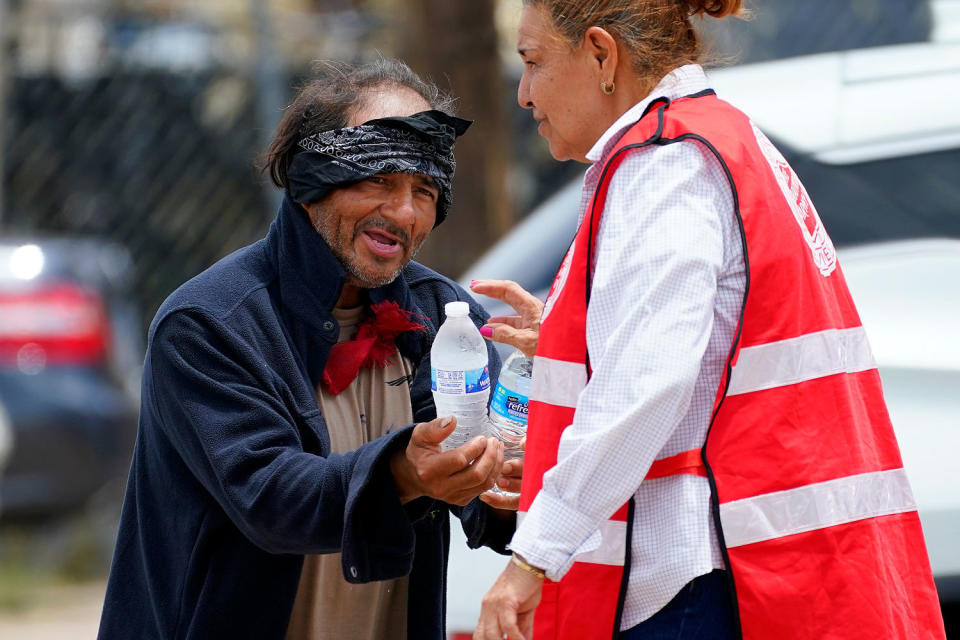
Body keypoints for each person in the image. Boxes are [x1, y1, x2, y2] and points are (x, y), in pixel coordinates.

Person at [471, 1, 946, 639]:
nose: (524, 94)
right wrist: (573, 338)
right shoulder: (716, 137)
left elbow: (647, 387)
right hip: (752, 563)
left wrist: (534, 556)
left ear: (602, 54)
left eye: (533, 63)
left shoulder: (666, 163)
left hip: (694, 575)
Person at [98, 58, 521, 640]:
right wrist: (400, 470)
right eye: (378, 179)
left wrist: (511, 477)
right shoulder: (208, 324)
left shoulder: (441, 317)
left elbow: (482, 487)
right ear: (310, 180)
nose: (403, 212)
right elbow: (269, 496)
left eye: (424, 190)